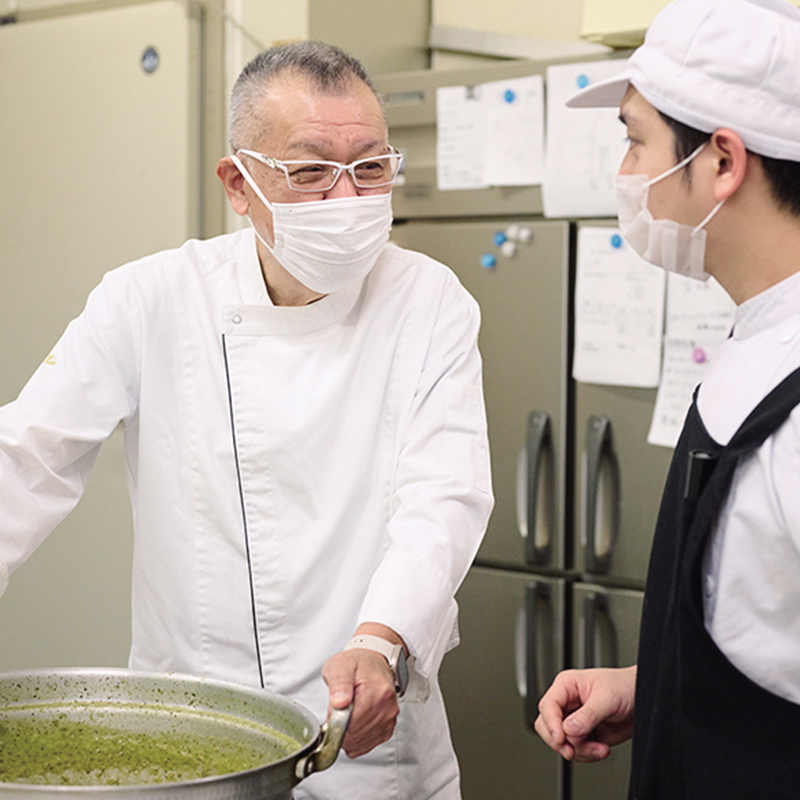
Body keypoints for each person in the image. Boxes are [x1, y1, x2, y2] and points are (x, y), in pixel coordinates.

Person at [0, 42, 493, 799]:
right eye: (309, 172)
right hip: (190, 743)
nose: (348, 199)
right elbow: (25, 459)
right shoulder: (152, 299)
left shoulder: (430, 302)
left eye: (370, 168)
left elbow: (444, 501)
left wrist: (381, 638)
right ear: (239, 183)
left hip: (365, 742)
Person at [534, 0, 800, 797]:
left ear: (722, 161)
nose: (624, 174)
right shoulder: (761, 337)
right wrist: (658, 684)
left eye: (634, 139)